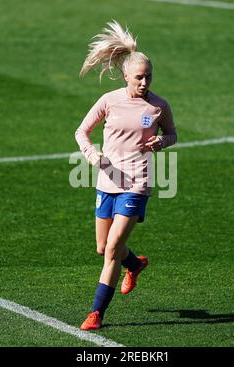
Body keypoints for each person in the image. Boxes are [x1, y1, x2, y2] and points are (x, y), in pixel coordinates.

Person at [75, 20, 177, 330]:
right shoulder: (109, 100)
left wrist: (162, 141)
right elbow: (82, 131)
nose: (145, 83)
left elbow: (172, 134)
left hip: (136, 184)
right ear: (125, 76)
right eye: (139, 77)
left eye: (149, 77)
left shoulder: (159, 106)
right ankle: (133, 264)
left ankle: (96, 314)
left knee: (111, 250)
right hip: (107, 181)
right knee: (102, 247)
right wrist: (93, 155)